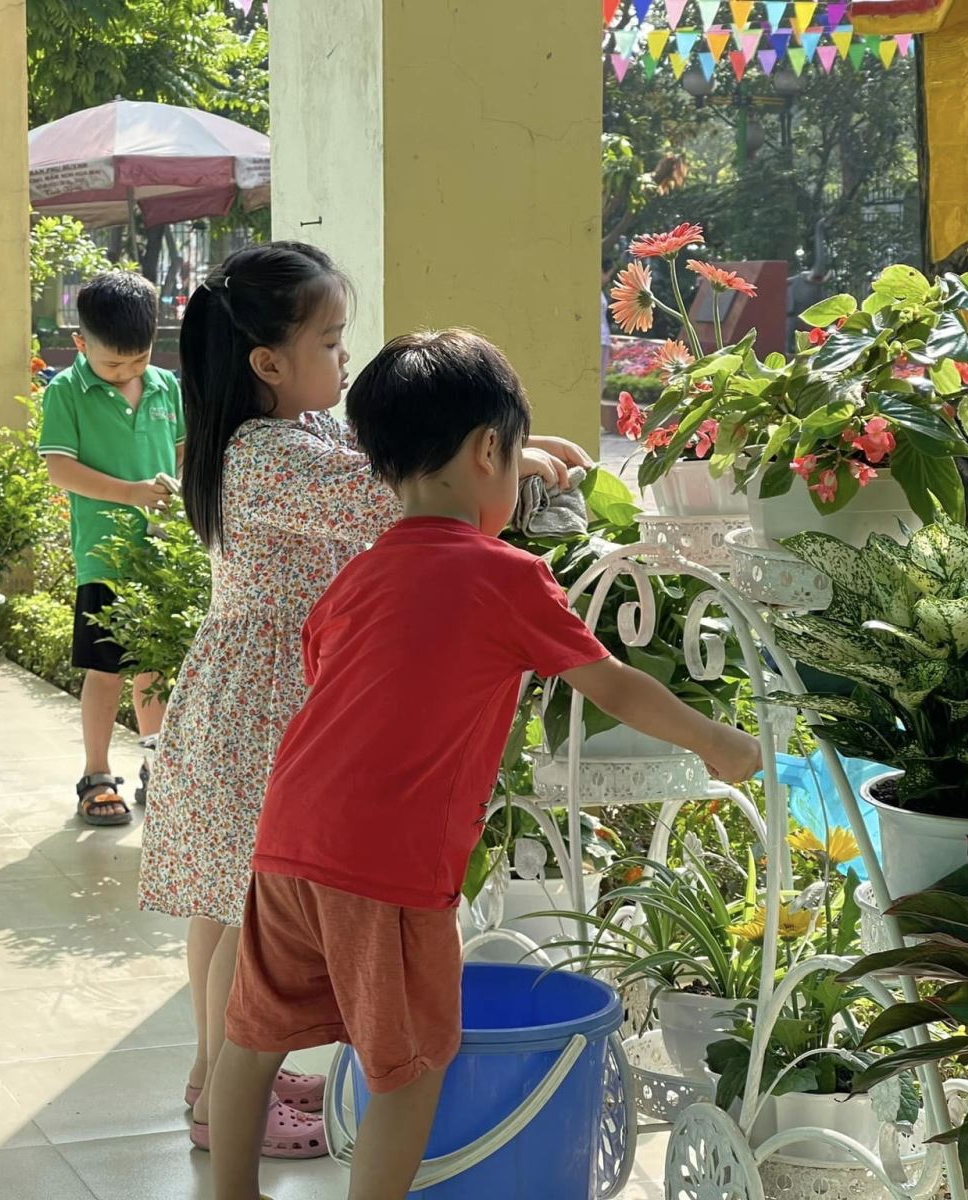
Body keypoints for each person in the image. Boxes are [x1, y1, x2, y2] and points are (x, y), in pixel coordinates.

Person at [208, 330, 764, 1199]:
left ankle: (229, 1193)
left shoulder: (356, 576)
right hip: (386, 866)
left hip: (285, 842)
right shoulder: (506, 576)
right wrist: (717, 740)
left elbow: (333, 681)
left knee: (253, 1035)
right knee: (412, 1063)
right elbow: (612, 685)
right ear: (489, 451)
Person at [134, 243, 592, 1159]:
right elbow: (398, 495)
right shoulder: (268, 455)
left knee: (229, 905)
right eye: (332, 341)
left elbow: (386, 459)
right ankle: (223, 1092)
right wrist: (514, 461)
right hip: (268, 703)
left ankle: (217, 1074)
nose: (345, 358)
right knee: (243, 911)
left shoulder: (289, 434)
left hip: (256, 692)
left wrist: (510, 445)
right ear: (269, 363)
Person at [38, 270, 185, 827]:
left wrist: (179, 497)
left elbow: (183, 455)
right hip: (104, 557)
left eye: (138, 359)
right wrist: (131, 493)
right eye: (113, 364)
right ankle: (96, 774)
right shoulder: (66, 390)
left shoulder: (167, 387)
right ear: (81, 344)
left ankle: (157, 767)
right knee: (106, 671)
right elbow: (59, 469)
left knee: (155, 668)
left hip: (161, 555)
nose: (127, 371)